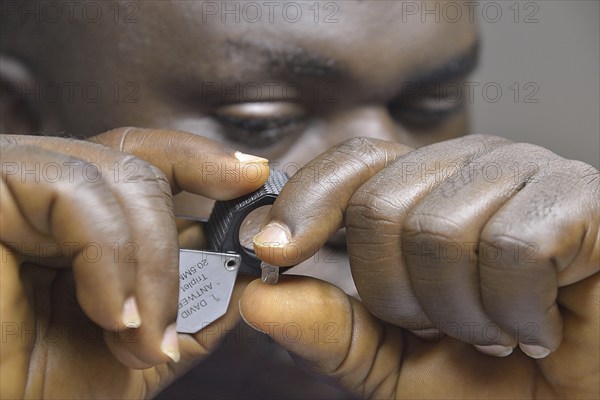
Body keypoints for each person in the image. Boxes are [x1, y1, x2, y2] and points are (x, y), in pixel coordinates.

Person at [1, 1, 598, 398]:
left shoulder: (540, 349)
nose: (374, 192)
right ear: (16, 117)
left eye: (431, 105)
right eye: (264, 121)